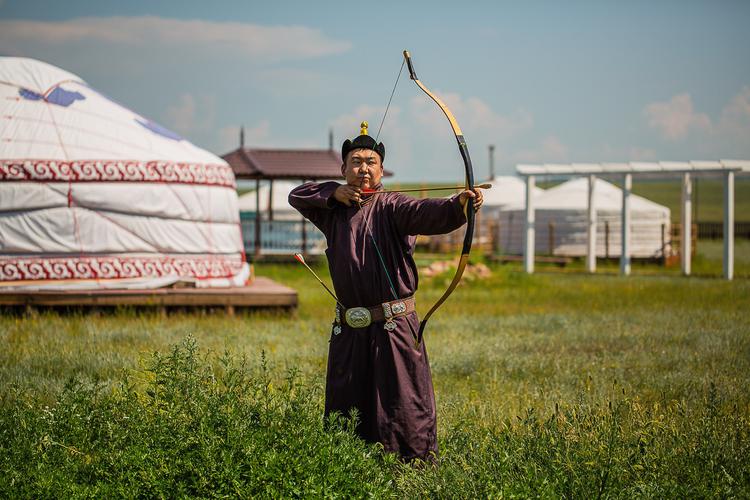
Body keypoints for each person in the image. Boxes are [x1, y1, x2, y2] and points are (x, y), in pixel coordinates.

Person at [288, 122, 483, 461]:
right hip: (351, 327)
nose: (364, 168)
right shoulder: (333, 212)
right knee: (348, 399)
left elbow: (426, 212)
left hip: (394, 326)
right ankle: (347, 464)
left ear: (381, 169)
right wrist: (333, 193)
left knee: (404, 402)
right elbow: (297, 195)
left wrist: (460, 204)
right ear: (344, 169)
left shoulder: (393, 205)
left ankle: (410, 468)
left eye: (371, 161)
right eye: (356, 161)